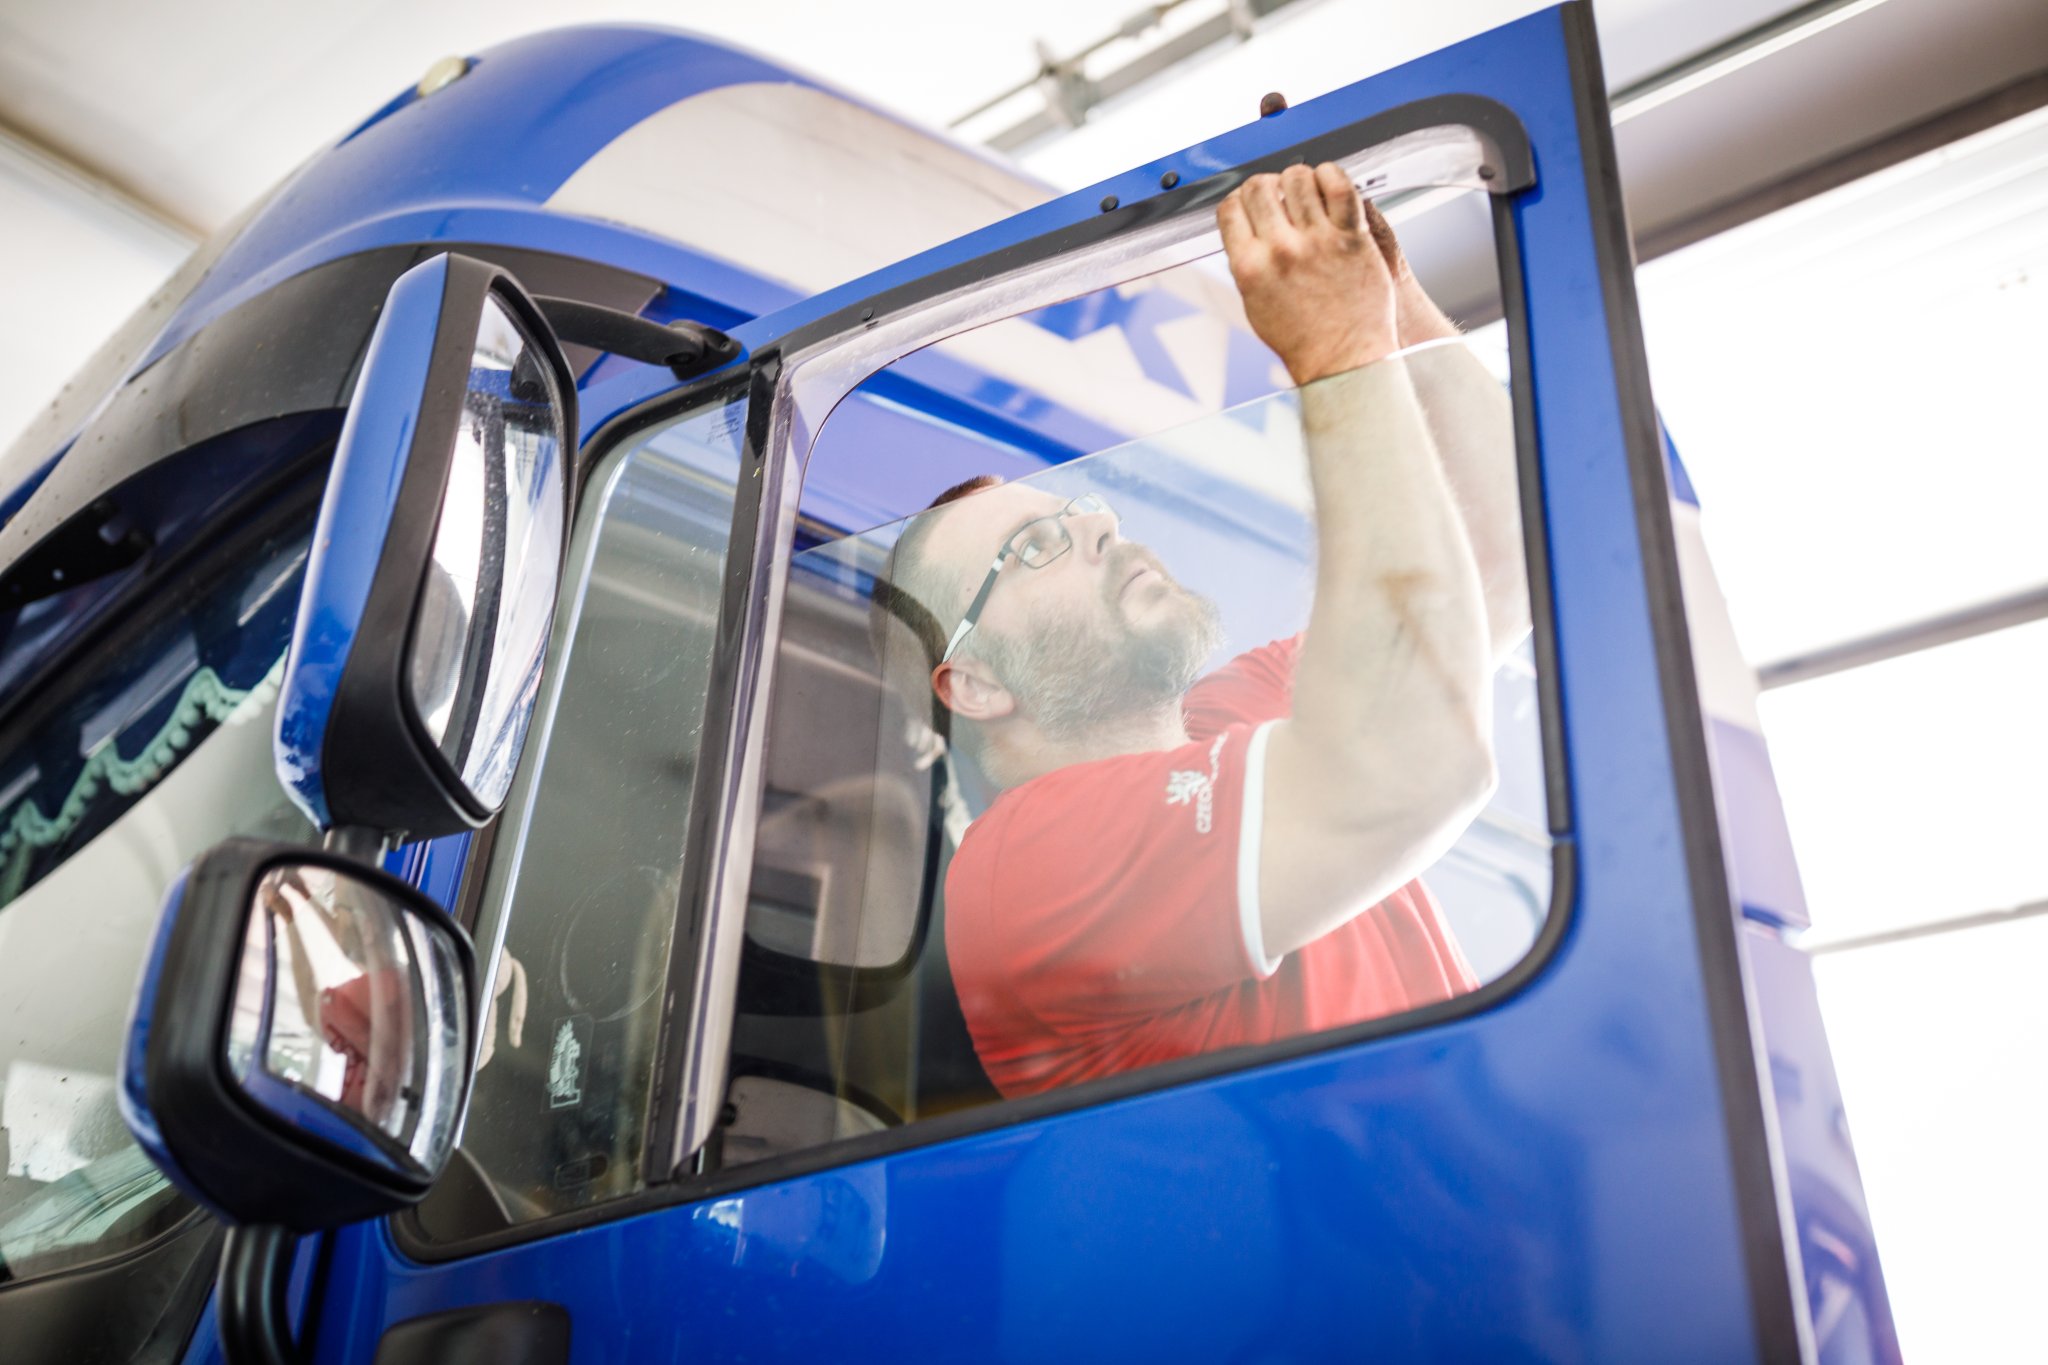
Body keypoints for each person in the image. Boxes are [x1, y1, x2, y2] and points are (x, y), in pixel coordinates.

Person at [875, 163, 1528, 1100]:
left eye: (1081, 510)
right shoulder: (1018, 872)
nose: (1100, 527)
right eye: (1036, 546)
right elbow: (1414, 764)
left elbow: (1499, 563)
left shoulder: (1239, 717)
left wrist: (1391, 308)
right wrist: (1340, 350)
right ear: (973, 682)